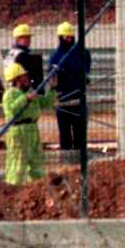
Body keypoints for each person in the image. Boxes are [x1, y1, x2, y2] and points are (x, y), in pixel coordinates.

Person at [1, 62, 55, 186]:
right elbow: (12, 109)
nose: (27, 79)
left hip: (32, 129)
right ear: (17, 80)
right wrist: (25, 98)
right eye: (23, 77)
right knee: (18, 162)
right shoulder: (10, 94)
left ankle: (37, 186)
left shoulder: (30, 92)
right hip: (19, 131)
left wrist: (52, 90)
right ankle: (12, 187)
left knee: (36, 161)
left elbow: (44, 103)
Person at [47, 21, 91, 152]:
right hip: (63, 102)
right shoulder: (55, 57)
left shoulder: (82, 53)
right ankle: (67, 164)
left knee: (80, 137)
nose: (70, 39)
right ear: (60, 38)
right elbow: (52, 79)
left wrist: (77, 76)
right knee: (65, 137)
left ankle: (80, 163)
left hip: (78, 100)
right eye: (67, 37)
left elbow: (85, 72)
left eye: (71, 37)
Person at [4, 23, 44, 88]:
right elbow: (28, 77)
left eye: (29, 37)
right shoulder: (22, 55)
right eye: (25, 37)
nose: (29, 40)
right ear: (17, 39)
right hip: (18, 88)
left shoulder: (11, 53)